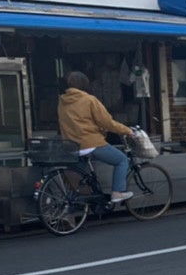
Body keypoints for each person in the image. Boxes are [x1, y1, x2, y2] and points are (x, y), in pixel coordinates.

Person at [57, 71, 135, 203]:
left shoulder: (62, 102)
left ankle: (85, 202)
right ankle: (117, 193)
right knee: (122, 160)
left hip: (71, 146)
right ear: (84, 84)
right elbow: (107, 123)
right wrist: (127, 130)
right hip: (90, 143)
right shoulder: (89, 100)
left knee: (85, 177)